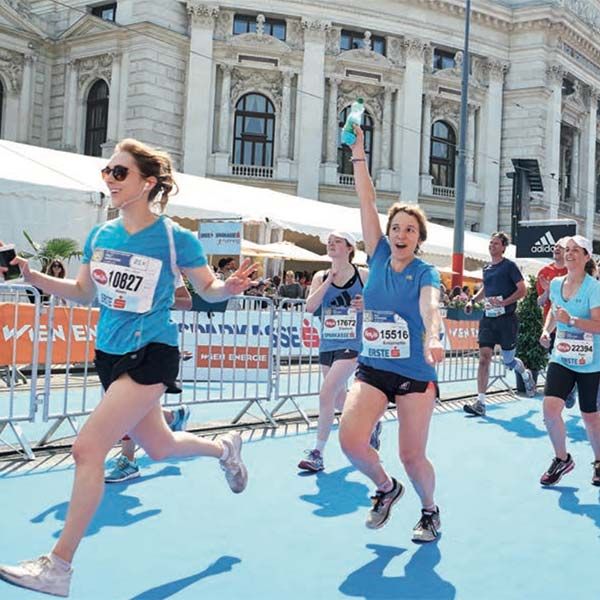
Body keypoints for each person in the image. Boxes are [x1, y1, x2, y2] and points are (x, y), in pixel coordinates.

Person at [0, 138, 257, 598]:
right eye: (107, 171)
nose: (109, 180)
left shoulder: (177, 238)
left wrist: (228, 287)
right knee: (159, 446)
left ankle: (58, 566)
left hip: (153, 350)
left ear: (147, 183)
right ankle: (224, 450)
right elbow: (83, 293)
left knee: (86, 448)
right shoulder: (101, 236)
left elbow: (209, 290)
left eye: (120, 173)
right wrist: (31, 275)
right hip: (110, 353)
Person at [339, 125, 445, 543]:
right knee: (350, 441)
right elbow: (366, 198)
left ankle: (430, 511)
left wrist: (433, 336)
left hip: (415, 372)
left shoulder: (425, 271)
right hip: (373, 367)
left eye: (409, 231)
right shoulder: (378, 253)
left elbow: (430, 305)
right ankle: (386, 488)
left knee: (411, 454)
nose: (401, 235)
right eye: (396, 228)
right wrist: (359, 152)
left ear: (419, 239)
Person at [297, 230, 374, 472]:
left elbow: (381, 303)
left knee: (326, 393)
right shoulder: (321, 275)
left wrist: (367, 304)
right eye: (329, 242)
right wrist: (329, 281)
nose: (331, 245)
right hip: (328, 342)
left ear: (350, 247)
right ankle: (370, 426)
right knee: (340, 397)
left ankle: (318, 452)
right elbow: (310, 307)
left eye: (337, 242)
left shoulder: (363, 275)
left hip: (352, 343)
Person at [104, 283, 194, 483]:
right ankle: (173, 416)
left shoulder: (167, 265)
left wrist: (155, 301)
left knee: (123, 408)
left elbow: (187, 301)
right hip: (115, 342)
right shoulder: (114, 259)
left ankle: (128, 460)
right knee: (134, 410)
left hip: (149, 347)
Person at [538, 235, 600, 487]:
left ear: (587, 257)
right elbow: (555, 314)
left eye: (577, 250)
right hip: (562, 356)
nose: (570, 253)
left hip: (591, 361)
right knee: (550, 410)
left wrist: (572, 320)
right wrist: (546, 330)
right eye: (567, 250)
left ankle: (598, 462)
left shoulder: (593, 287)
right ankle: (562, 459)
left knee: (590, 417)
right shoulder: (555, 283)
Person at [463, 232, 536, 417]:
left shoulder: (509, 266)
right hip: (488, 318)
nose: (492, 246)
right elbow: (487, 288)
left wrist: (504, 302)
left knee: (508, 360)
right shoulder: (486, 268)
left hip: (507, 320)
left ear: (503, 247)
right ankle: (480, 402)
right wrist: (472, 300)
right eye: (490, 243)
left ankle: (524, 373)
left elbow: (522, 290)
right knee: (484, 358)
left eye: (496, 244)